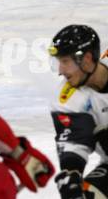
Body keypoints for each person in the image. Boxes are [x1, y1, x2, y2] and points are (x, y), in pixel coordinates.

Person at [48, 24, 108, 199]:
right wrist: (71, 174)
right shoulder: (68, 99)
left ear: (87, 59)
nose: (60, 71)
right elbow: (74, 142)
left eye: (65, 61)